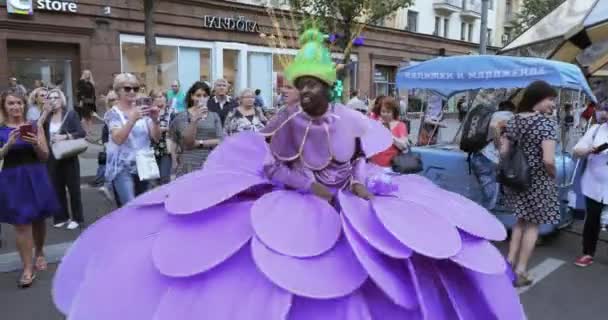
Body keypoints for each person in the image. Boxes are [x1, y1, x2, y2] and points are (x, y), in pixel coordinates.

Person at [52, 28, 524, 320]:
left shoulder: (352, 120)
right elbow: (272, 161)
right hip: (294, 205)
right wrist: (308, 185)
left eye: (315, 86)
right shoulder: (284, 120)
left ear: (328, 87)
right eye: (301, 86)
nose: (307, 93)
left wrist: (358, 182)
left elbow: (360, 154)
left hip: (353, 204)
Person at [501, 80, 560, 287]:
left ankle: (508, 264)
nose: (553, 104)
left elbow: (504, 152)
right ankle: (521, 271)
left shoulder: (514, 120)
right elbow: (549, 160)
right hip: (539, 181)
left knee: (519, 222)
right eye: (551, 99)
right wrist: (553, 175)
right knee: (533, 226)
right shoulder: (547, 123)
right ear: (538, 98)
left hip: (518, 179)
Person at [0, 91, 59, 288]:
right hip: (13, 178)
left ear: (24, 105)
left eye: (18, 103)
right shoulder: (0, 129)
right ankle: (27, 267)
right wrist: (8, 145)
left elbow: (44, 156)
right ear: (4, 106)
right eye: (10, 103)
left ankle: (40, 251)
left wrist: (35, 144)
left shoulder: (35, 126)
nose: (15, 107)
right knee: (21, 224)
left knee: (38, 219)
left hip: (36, 176)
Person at [104, 73, 161, 207]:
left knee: (143, 206)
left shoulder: (143, 110)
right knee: (130, 206)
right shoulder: (113, 113)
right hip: (122, 167)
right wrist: (132, 119)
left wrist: (155, 120)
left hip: (144, 165)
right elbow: (118, 139)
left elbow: (156, 138)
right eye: (127, 88)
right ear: (118, 91)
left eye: (136, 88)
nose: (132, 92)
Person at [39, 88, 86, 230]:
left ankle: (77, 218)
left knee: (73, 189)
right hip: (52, 157)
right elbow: (37, 127)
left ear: (62, 99)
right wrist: (45, 112)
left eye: (56, 97)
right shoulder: (46, 117)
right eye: (50, 98)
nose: (53, 100)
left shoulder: (70, 115)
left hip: (69, 155)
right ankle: (61, 216)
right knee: (56, 188)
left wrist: (65, 136)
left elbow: (81, 132)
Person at [573, 102, 608, 267]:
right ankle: (587, 253)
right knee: (592, 220)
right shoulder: (595, 130)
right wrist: (589, 150)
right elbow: (577, 150)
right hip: (593, 184)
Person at [169, 81, 222, 177]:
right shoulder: (182, 116)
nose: (201, 98)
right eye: (198, 95)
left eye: (205, 95)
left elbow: (221, 140)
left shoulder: (214, 116)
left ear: (208, 97)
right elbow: (188, 142)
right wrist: (194, 120)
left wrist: (199, 143)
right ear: (192, 96)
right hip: (189, 163)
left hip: (210, 162)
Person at [470, 100, 515, 210]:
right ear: (511, 109)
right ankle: (483, 223)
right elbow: (496, 127)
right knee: (490, 198)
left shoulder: (491, 115)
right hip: (489, 159)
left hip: (478, 155)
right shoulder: (508, 116)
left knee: (487, 194)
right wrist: (498, 144)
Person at [369, 97, 409, 167]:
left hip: (391, 167)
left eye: (388, 112)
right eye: (383, 111)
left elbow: (404, 146)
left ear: (394, 113)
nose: (385, 114)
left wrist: (389, 135)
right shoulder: (376, 124)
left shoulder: (400, 125)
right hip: (373, 166)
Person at [150, 89, 173, 185]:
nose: (158, 99)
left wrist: (166, 129)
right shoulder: (149, 113)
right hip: (151, 149)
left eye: (161, 96)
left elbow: (177, 129)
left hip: (165, 149)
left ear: (165, 98)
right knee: (152, 180)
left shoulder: (172, 112)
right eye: (155, 97)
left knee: (164, 178)